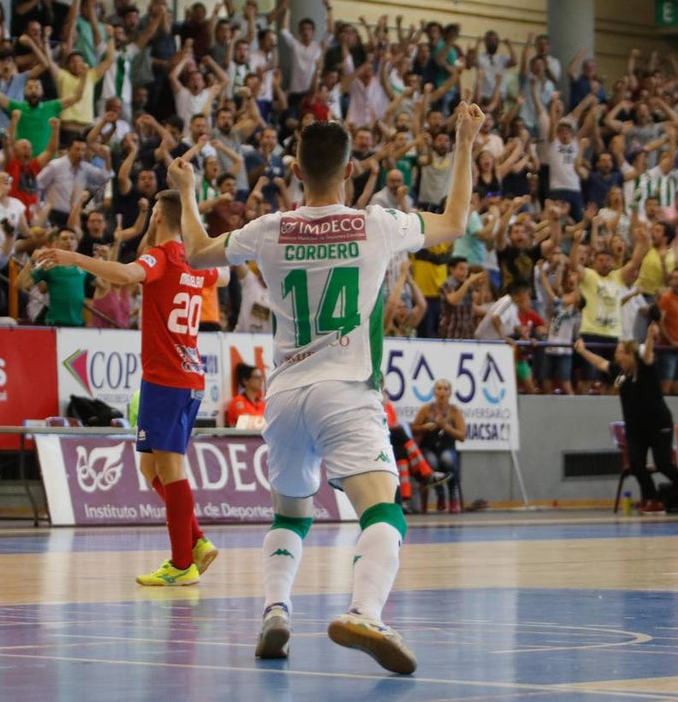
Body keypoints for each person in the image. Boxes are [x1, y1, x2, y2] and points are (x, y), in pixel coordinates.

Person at [173, 102, 486, 674]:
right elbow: (455, 222)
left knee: (291, 513)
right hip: (346, 388)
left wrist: (189, 190)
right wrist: (464, 140)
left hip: (285, 394)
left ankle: (275, 610)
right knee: (382, 509)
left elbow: (196, 251)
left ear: (296, 169)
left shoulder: (271, 228)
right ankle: (365, 611)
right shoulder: (377, 223)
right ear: (348, 172)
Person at [35, 189, 226, 585]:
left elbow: (124, 275)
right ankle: (197, 542)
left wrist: (73, 258)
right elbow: (223, 273)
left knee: (170, 467)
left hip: (168, 376)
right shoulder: (194, 260)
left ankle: (180, 564)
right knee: (150, 466)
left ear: (157, 217)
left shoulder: (163, 257)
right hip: (186, 373)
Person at [575, 324, 678, 513]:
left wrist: (650, 337)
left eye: (620, 352)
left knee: (663, 463)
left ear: (630, 355)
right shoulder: (620, 375)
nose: (616, 356)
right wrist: (583, 351)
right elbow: (600, 363)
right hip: (636, 428)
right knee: (636, 465)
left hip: (658, 424)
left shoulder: (646, 369)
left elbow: (647, 356)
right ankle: (653, 499)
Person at [411, 379, 467, 513]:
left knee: (447, 459)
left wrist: (445, 427)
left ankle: (453, 496)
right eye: (439, 388)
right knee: (432, 462)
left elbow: (462, 436)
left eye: (445, 388)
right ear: (434, 392)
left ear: (450, 392)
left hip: (447, 448)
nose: (442, 391)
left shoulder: (454, 411)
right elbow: (414, 429)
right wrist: (425, 427)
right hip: (429, 448)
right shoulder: (426, 409)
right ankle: (440, 494)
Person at [226, 362, 266, 427]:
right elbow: (244, 424)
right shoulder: (238, 402)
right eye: (257, 377)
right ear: (245, 381)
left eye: (261, 377)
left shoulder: (262, 404)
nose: (261, 380)